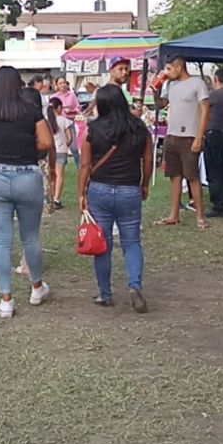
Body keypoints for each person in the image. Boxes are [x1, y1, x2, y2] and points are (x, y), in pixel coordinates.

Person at [0, 66, 54, 319]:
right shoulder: (30, 111)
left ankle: (6, 300)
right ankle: (37, 288)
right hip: (27, 174)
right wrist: (25, 144)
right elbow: (46, 142)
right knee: (30, 238)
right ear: (18, 85)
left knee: (2, 241)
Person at [79, 84, 154, 312]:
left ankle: (105, 293)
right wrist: (143, 183)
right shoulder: (139, 128)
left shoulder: (93, 129)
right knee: (131, 242)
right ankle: (135, 285)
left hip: (100, 189)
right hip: (129, 189)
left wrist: (81, 192)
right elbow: (149, 160)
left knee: (103, 245)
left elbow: (85, 164)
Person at [155, 55, 211, 228]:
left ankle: (200, 216)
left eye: (170, 69)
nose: (167, 72)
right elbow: (161, 105)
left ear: (179, 67)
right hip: (172, 136)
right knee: (174, 176)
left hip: (189, 137)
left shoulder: (197, 83)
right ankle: (174, 214)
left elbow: (205, 110)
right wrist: (155, 89)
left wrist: (199, 136)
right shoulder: (170, 85)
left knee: (192, 176)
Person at [203, 68, 223, 217]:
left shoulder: (211, 96)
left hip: (213, 133)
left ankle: (219, 204)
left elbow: (203, 113)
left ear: (216, 79)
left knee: (214, 170)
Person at [46, 96, 75, 209]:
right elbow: (70, 138)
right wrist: (66, 144)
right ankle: (56, 199)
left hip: (49, 150)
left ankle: (50, 197)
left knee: (50, 175)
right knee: (59, 175)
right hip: (61, 150)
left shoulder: (46, 120)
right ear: (59, 108)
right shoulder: (64, 120)